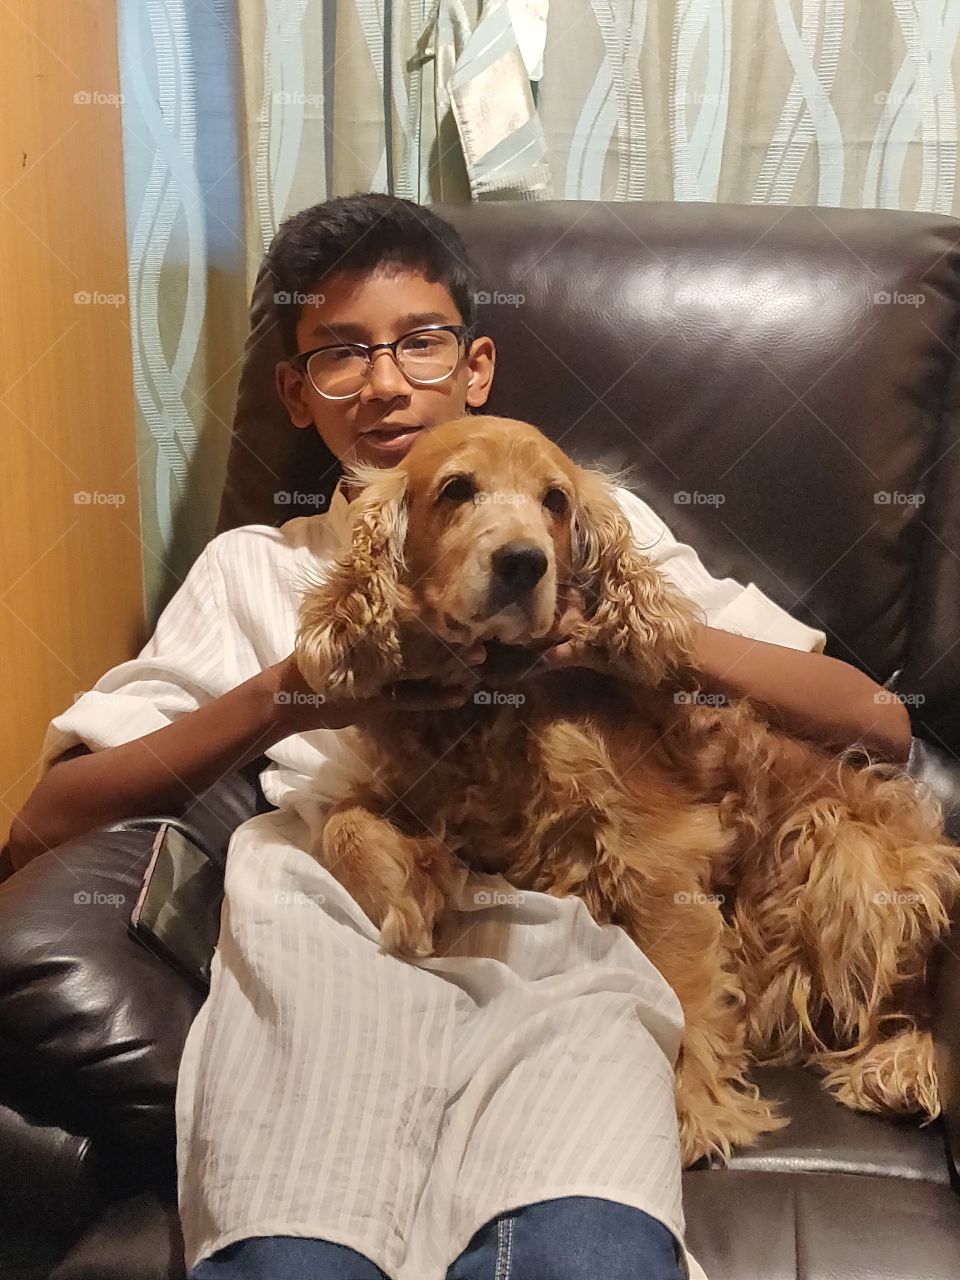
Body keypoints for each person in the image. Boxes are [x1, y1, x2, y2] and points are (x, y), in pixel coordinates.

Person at [8, 194, 911, 1280]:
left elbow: (881, 723)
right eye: (340, 354)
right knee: (298, 1254)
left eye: (419, 343)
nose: (385, 381)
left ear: (475, 364)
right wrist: (296, 695)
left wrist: (632, 652)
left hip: (571, 943)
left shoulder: (581, 524)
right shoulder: (261, 567)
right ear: (294, 392)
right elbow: (43, 824)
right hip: (351, 927)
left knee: (585, 1254)